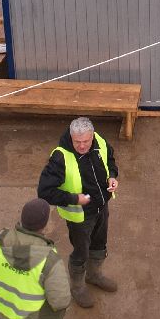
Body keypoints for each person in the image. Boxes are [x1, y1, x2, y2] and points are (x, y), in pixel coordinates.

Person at [37, 116, 119, 309]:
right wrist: (74, 199)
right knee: (81, 251)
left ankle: (94, 275)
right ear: (71, 137)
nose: (82, 146)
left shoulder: (99, 141)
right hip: (80, 216)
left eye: (86, 141)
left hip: (101, 206)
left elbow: (110, 158)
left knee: (99, 243)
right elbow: (44, 191)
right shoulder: (60, 157)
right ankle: (77, 287)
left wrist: (113, 177)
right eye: (77, 142)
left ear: (92, 136)